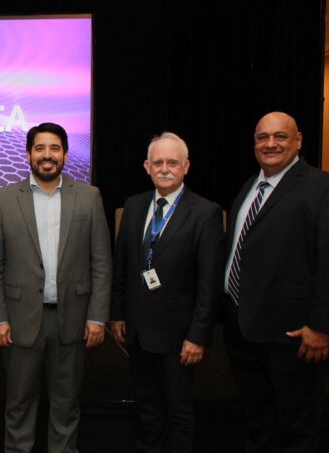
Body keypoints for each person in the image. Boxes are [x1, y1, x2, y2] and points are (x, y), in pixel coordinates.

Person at [0, 122, 112, 453]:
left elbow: (101, 262)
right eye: (40, 148)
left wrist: (97, 317)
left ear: (66, 155)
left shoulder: (89, 197)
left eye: (54, 148)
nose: (47, 155)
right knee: (18, 404)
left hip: (72, 320)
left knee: (66, 405)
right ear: (28, 154)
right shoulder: (2, 199)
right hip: (19, 321)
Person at [223, 111, 329, 452]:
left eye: (280, 136)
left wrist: (321, 326)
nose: (270, 144)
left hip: (293, 335)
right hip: (244, 329)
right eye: (263, 137)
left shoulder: (322, 186)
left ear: (298, 141)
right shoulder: (250, 185)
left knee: (295, 429)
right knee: (258, 422)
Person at [111, 132, 225, 453]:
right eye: (158, 162)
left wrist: (198, 336)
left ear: (186, 167)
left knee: (178, 409)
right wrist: (117, 314)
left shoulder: (205, 212)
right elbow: (122, 265)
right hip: (137, 331)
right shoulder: (133, 206)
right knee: (147, 406)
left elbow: (209, 281)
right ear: (147, 166)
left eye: (172, 163)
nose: (164, 169)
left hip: (180, 336)